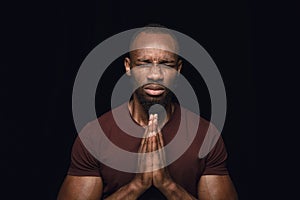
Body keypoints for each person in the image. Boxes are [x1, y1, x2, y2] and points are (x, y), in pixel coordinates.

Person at [57, 24, 238, 200]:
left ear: (178, 69)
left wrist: (168, 185)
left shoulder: (205, 134)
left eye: (166, 64)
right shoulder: (95, 135)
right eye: (144, 63)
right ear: (128, 67)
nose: (155, 74)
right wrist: (137, 186)